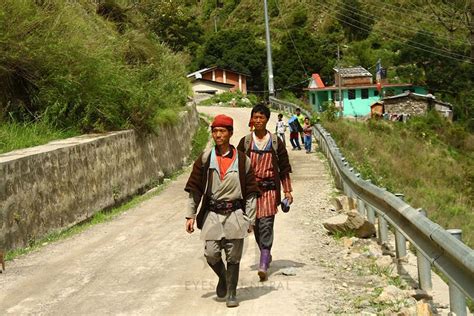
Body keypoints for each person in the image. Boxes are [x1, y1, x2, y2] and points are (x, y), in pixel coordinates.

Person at [184, 114, 260, 308]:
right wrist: (190, 215)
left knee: (233, 255)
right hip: (212, 212)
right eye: (215, 131)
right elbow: (195, 189)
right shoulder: (204, 158)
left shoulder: (243, 161)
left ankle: (232, 293)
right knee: (211, 254)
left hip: (235, 213)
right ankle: (224, 278)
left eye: (222, 131)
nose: (218, 135)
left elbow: (251, 193)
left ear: (230, 133)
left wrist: (250, 219)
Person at [237, 104, 293, 282]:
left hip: (269, 191)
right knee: (256, 227)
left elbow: (284, 168)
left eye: (261, 117)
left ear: (267, 120)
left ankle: (263, 263)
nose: (258, 121)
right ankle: (266, 254)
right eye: (255, 117)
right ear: (251, 120)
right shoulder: (245, 142)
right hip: (251, 193)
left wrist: (288, 191)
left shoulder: (276, 142)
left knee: (266, 224)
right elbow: (236, 169)